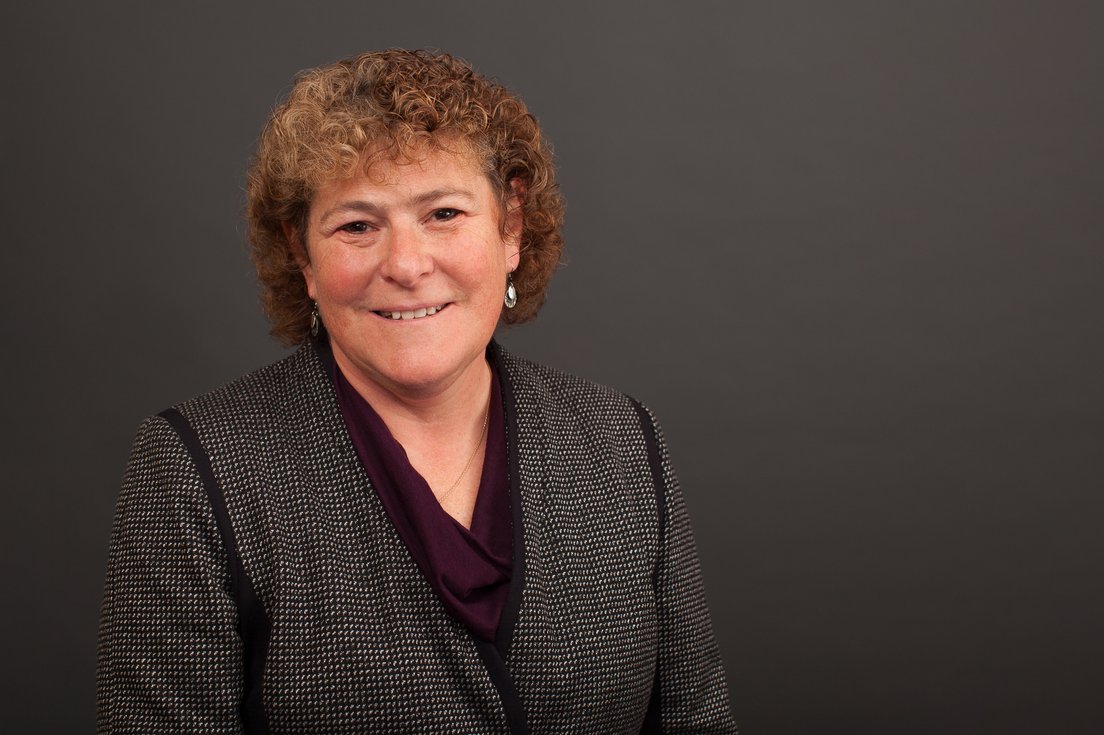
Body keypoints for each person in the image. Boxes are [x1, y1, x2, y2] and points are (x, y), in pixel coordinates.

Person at [97, 49, 736, 734]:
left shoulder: (621, 440)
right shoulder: (194, 471)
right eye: (357, 226)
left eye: (443, 213)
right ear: (302, 254)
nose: (405, 265)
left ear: (511, 228)